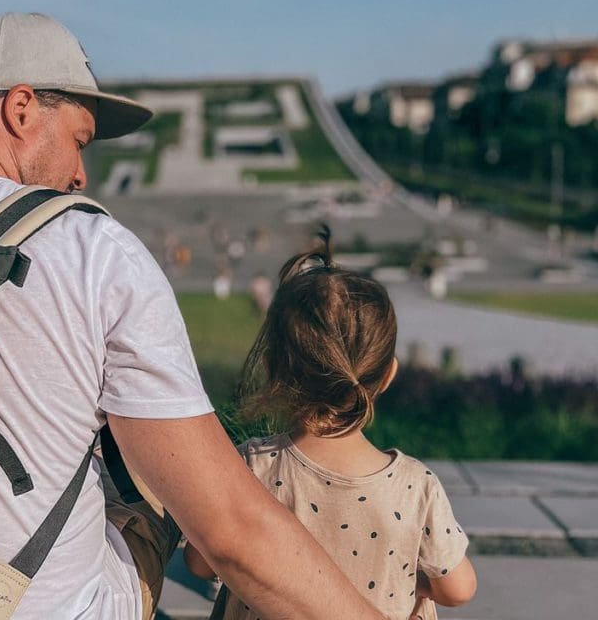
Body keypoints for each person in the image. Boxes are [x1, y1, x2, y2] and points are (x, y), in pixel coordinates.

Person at [0, 13, 385, 620]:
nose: (80, 174)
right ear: (20, 110)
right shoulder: (89, 247)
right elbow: (230, 532)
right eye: (78, 140)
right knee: (152, 468)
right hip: (22, 606)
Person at [183, 230, 477, 620]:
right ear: (387, 376)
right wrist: (407, 579)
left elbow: (201, 564)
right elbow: (458, 589)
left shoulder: (254, 466)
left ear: (274, 370)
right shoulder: (415, 487)